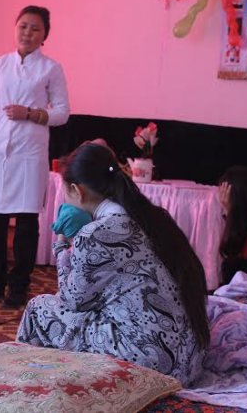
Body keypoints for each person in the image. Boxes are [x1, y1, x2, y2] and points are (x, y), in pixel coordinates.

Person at [16, 143, 210, 385]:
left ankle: (26, 387)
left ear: (76, 190)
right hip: (189, 360)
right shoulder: (154, 217)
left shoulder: (96, 233)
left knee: (39, 308)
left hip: (153, 365)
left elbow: (72, 300)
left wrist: (62, 243)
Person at [0, 5, 70, 308]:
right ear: (15, 28)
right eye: (23, 26)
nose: (27, 33)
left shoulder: (51, 69)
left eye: (35, 28)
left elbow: (62, 113)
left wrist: (30, 113)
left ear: (44, 36)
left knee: (26, 224)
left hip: (29, 153)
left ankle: (18, 286)